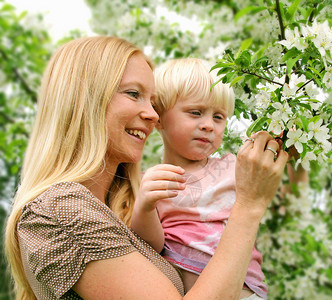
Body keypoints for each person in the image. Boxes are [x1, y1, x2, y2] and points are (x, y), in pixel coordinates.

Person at [4, 36, 288, 300]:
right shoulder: (60, 209)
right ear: (85, 99)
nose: (153, 115)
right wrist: (249, 206)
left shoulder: (118, 209)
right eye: (133, 94)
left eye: (153, 102)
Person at [137, 58, 306, 299]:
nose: (208, 125)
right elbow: (152, 245)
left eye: (218, 117)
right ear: (159, 117)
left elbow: (275, 181)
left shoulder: (234, 167)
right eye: (195, 113)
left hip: (246, 292)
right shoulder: (152, 181)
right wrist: (144, 206)